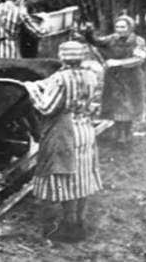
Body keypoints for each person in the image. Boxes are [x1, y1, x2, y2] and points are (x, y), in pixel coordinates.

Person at [23, 41, 102, 242]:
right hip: (85, 129)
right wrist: (41, 84)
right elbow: (51, 83)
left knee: (60, 177)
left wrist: (31, 89)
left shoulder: (61, 78)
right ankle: (77, 224)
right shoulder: (90, 76)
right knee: (82, 177)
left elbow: (46, 108)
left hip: (64, 132)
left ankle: (56, 229)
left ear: (62, 57)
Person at [83, 15, 146, 147]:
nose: (119, 29)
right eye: (117, 26)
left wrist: (118, 62)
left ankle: (126, 135)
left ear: (130, 27)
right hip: (114, 78)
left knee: (128, 105)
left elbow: (138, 59)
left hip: (131, 78)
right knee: (116, 105)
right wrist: (89, 32)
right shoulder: (112, 38)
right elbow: (97, 42)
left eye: (123, 27)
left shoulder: (138, 41)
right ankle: (118, 136)